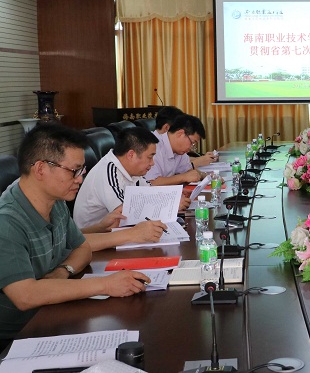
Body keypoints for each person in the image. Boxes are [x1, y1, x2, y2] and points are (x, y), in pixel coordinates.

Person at [0, 124, 149, 347]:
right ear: (40, 169)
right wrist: (105, 285)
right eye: (74, 171)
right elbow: (26, 295)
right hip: (17, 336)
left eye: (82, 171)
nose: (79, 179)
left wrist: (63, 271)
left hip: (51, 310)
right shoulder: (7, 221)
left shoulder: (55, 200)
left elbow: (82, 248)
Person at [73, 127, 180, 251]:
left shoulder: (132, 171)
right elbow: (128, 213)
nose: (152, 163)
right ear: (131, 155)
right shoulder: (109, 171)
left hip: (116, 236)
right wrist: (168, 205)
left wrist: (173, 201)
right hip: (94, 244)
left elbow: (151, 193)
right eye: (150, 157)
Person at [146, 113, 207, 186]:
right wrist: (183, 177)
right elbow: (152, 182)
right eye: (192, 143)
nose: (191, 148)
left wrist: (209, 176)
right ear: (180, 133)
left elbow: (188, 171)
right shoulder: (154, 146)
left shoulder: (179, 151)